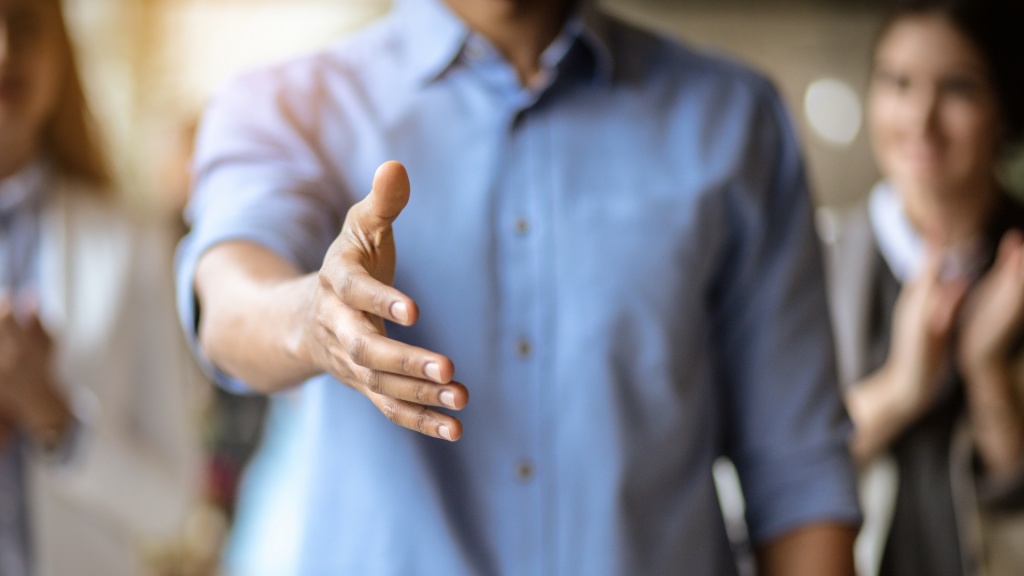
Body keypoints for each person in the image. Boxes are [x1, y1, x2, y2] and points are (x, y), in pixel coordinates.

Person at [179, 0, 862, 573]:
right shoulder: (285, 104)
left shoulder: (736, 120)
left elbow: (799, 474)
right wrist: (312, 318)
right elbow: (231, 295)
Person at [817, 1, 1024, 575]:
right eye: (898, 83)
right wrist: (901, 390)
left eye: (958, 88)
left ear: (1006, 108)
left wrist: (985, 370)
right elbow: (774, 471)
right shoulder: (814, 260)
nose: (919, 118)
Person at [0, 1, 201, 574]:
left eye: (25, 24)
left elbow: (172, 504)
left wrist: (53, 415)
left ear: (61, 54)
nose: (5, 51)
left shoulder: (132, 244)